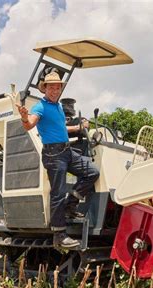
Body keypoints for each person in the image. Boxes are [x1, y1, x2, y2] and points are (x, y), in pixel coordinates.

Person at [16, 72, 100, 248]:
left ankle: (70, 205)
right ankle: (59, 235)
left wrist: (79, 127)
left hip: (66, 151)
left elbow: (61, 127)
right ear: (45, 88)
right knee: (57, 193)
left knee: (92, 172)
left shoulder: (59, 107)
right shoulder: (40, 107)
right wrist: (24, 117)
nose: (55, 90)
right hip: (53, 155)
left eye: (57, 87)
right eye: (51, 87)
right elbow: (29, 124)